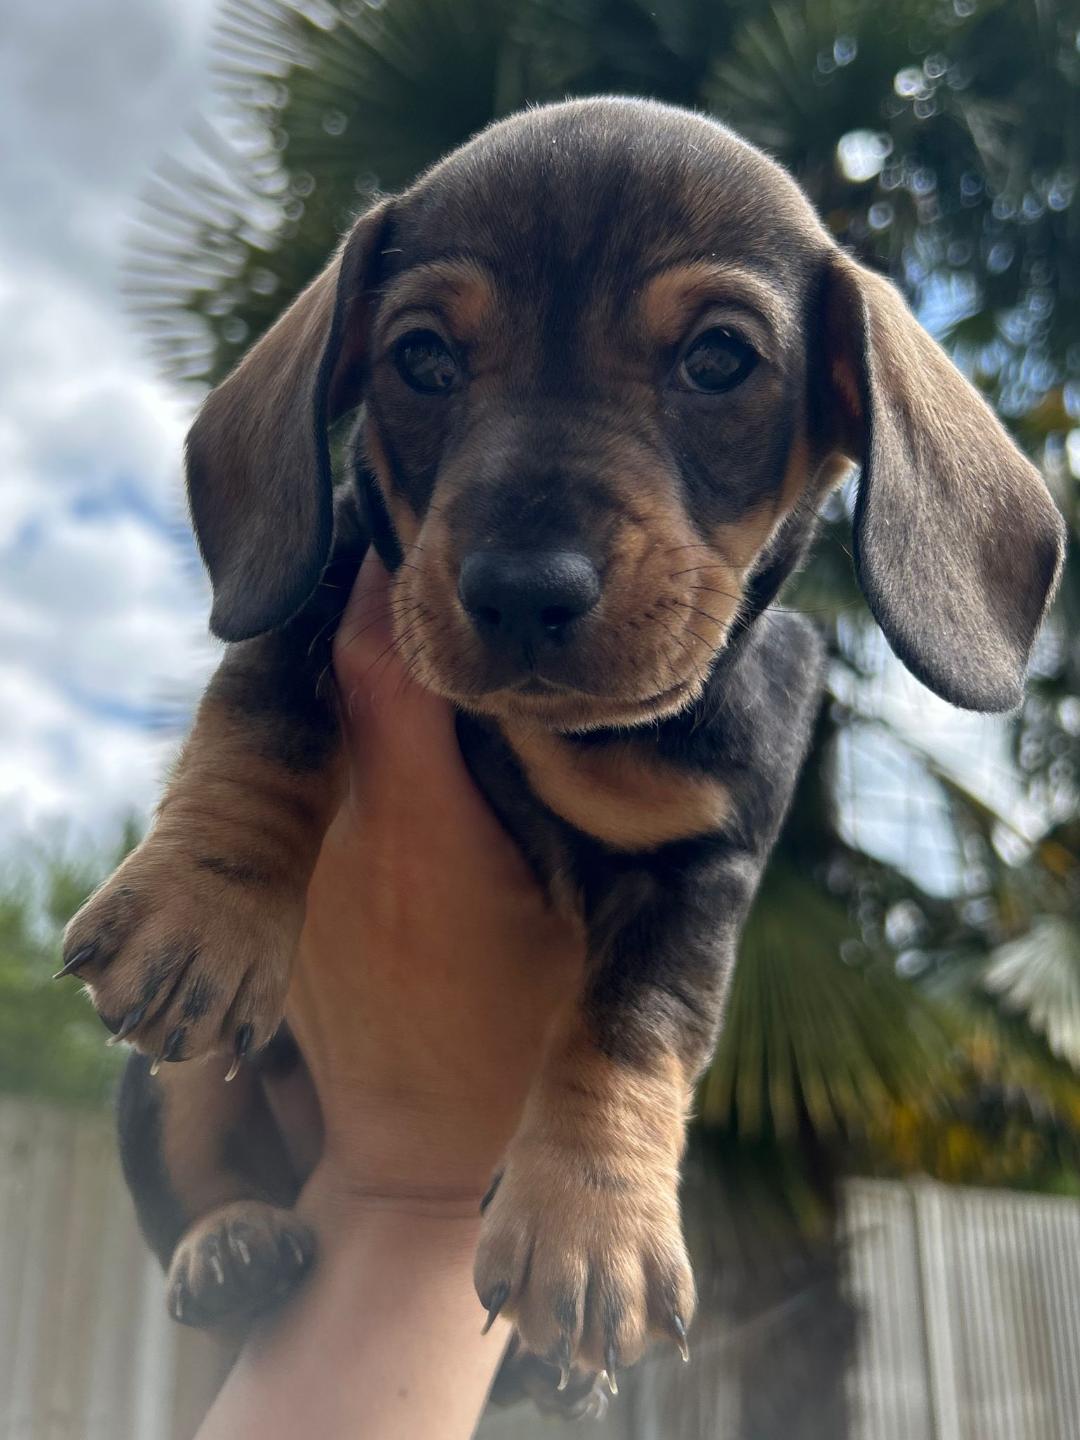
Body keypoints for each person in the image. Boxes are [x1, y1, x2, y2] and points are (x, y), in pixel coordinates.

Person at [196, 551, 586, 1439]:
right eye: (437, 394)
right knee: (180, 1047)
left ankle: (525, 1329)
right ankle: (211, 1209)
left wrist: (418, 1180)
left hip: (481, 1174)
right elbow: (282, 643)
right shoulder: (336, 550)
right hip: (281, 1069)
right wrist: (233, 839)